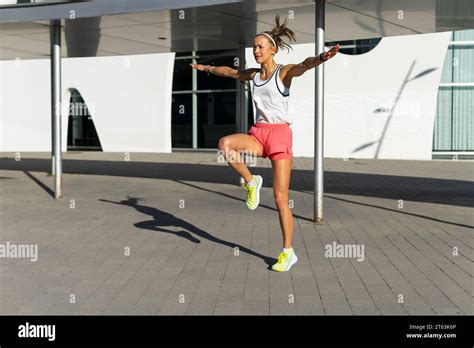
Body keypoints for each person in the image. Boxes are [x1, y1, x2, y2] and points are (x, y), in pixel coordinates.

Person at [190, 15, 340, 272]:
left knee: (281, 198)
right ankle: (251, 181)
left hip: (280, 137)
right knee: (225, 144)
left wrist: (322, 58)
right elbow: (229, 72)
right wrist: (206, 69)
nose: (256, 51)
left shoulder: (283, 72)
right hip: (259, 135)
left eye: (260, 47)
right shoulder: (253, 75)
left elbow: (304, 65)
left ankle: (287, 252)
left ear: (273, 49)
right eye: (254, 47)